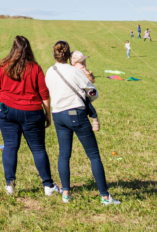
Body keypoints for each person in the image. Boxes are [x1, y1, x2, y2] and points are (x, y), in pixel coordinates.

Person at [45, 41, 120, 205]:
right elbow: (93, 93)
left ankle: (66, 193)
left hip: (58, 115)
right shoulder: (74, 71)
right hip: (75, 114)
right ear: (68, 55)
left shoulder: (50, 71)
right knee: (93, 155)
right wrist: (87, 96)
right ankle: (105, 197)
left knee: (64, 155)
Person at [0, 35, 56, 197]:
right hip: (31, 111)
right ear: (29, 49)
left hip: (6, 110)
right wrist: (48, 114)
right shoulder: (35, 68)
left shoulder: (2, 66)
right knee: (38, 148)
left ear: (13, 48)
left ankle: (10, 185)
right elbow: (44, 93)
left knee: (10, 145)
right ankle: (48, 185)